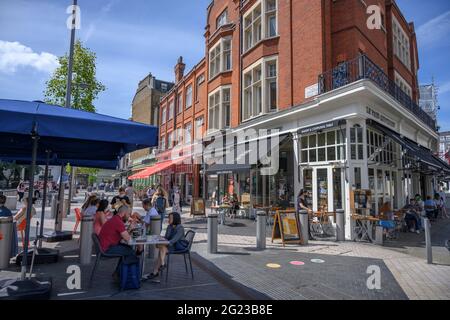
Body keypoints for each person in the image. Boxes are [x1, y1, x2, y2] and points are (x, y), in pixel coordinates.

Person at [148, 212, 187, 279]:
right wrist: (161, 238)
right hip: (171, 245)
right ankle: (162, 265)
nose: (168, 219)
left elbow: (173, 241)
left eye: (170, 218)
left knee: (161, 248)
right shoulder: (170, 226)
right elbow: (167, 237)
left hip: (178, 246)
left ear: (175, 219)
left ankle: (156, 271)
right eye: (168, 218)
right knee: (160, 247)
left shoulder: (180, 228)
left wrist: (163, 241)